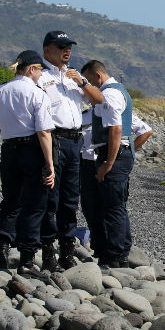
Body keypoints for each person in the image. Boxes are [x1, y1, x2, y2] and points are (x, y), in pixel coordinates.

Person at [0, 50, 55, 272]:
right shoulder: (37, 93)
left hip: (9, 149)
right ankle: (26, 259)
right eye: (40, 70)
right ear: (32, 68)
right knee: (35, 204)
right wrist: (50, 164)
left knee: (10, 201)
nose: (41, 75)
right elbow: (44, 132)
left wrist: (9, 125)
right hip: (31, 149)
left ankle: (2, 253)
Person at [38, 30, 103, 271]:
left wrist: (83, 82)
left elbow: (98, 100)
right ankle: (47, 252)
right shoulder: (41, 76)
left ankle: (66, 251)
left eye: (69, 47)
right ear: (47, 50)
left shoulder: (73, 76)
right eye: (61, 46)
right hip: (53, 139)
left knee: (69, 199)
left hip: (75, 141)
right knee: (50, 197)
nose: (67, 51)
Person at [80, 60, 135, 268]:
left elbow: (115, 130)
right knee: (114, 205)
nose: (88, 88)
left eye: (89, 82)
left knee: (112, 207)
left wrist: (108, 162)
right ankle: (119, 252)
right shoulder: (116, 91)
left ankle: (115, 255)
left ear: (97, 77)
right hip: (116, 152)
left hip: (114, 153)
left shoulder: (110, 94)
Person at [79, 107, 152, 260]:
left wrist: (122, 153)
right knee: (90, 208)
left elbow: (145, 131)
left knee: (113, 208)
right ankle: (100, 250)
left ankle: (119, 253)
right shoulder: (82, 113)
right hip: (86, 165)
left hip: (107, 164)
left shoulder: (115, 109)